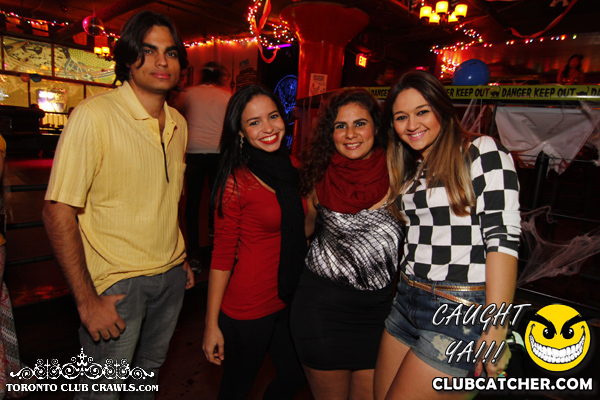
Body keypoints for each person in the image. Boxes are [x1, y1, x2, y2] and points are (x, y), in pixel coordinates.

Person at [43, 11, 194, 400]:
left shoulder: (178, 122)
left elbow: (170, 195)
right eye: (148, 50)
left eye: (171, 53)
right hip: (117, 284)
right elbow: (57, 211)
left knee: (146, 381)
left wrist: (180, 256)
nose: (162, 61)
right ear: (127, 58)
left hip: (170, 278)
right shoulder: (94, 116)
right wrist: (87, 302)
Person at [374, 71, 521, 400]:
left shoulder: (480, 150)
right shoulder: (412, 167)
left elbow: (502, 239)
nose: (412, 124)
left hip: (458, 309)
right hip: (407, 300)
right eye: (401, 117)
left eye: (422, 111)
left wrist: (497, 327)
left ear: (441, 109)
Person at [290, 89, 403, 400]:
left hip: (378, 316)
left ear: (376, 127)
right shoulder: (318, 176)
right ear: (331, 132)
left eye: (360, 123)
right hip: (321, 312)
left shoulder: (400, 175)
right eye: (341, 126)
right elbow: (302, 233)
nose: (350, 134)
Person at [202, 84, 307, 399]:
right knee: (236, 390)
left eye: (273, 116)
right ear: (240, 132)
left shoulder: (292, 167)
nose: (268, 128)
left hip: (287, 296)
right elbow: (222, 256)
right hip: (249, 307)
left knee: (294, 377)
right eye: (254, 122)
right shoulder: (236, 181)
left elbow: (303, 227)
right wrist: (211, 324)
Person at [177, 62, 232, 270]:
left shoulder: (190, 93)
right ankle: (215, 239)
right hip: (218, 152)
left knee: (192, 204)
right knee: (217, 200)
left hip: (195, 150)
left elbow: (177, 111)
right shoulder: (226, 95)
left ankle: (193, 254)